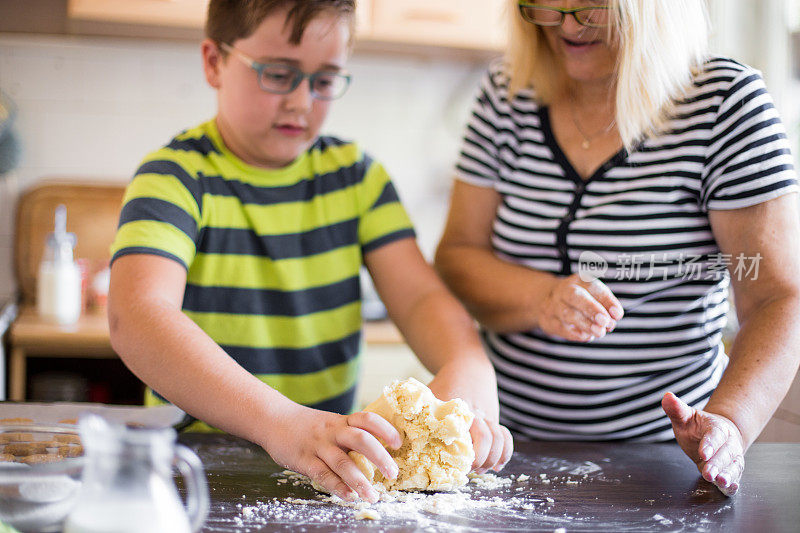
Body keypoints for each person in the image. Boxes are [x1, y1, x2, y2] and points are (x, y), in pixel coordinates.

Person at [107, 0, 512, 504]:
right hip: (198, 472)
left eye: (324, 81)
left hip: (328, 478)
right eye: (278, 74)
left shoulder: (357, 179)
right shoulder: (176, 177)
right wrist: (281, 423)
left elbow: (420, 300)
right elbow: (137, 315)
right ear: (214, 62)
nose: (301, 101)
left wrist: (469, 363)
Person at [435, 0, 800, 497]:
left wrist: (729, 425)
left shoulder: (724, 104)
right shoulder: (507, 92)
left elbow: (778, 298)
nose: (565, 26)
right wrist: (542, 298)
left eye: (590, 8)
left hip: (662, 460)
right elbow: (458, 254)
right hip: (504, 450)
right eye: (546, 6)